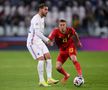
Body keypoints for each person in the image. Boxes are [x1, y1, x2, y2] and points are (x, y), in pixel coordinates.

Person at [26, 3, 59, 87]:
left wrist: (47, 39)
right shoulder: (35, 19)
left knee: (48, 56)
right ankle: (41, 80)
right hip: (32, 42)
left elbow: (40, 33)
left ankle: (49, 78)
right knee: (41, 59)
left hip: (39, 41)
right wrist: (47, 40)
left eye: (47, 9)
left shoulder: (42, 18)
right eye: (45, 9)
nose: (47, 11)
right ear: (40, 9)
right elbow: (37, 33)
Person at [48, 19, 84, 84]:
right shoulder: (55, 31)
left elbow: (75, 34)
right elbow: (50, 39)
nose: (62, 26)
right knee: (58, 67)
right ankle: (66, 75)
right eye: (61, 25)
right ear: (58, 26)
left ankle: (80, 76)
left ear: (66, 25)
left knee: (74, 59)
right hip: (62, 50)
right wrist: (50, 42)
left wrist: (78, 42)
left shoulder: (70, 30)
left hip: (70, 46)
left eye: (63, 25)